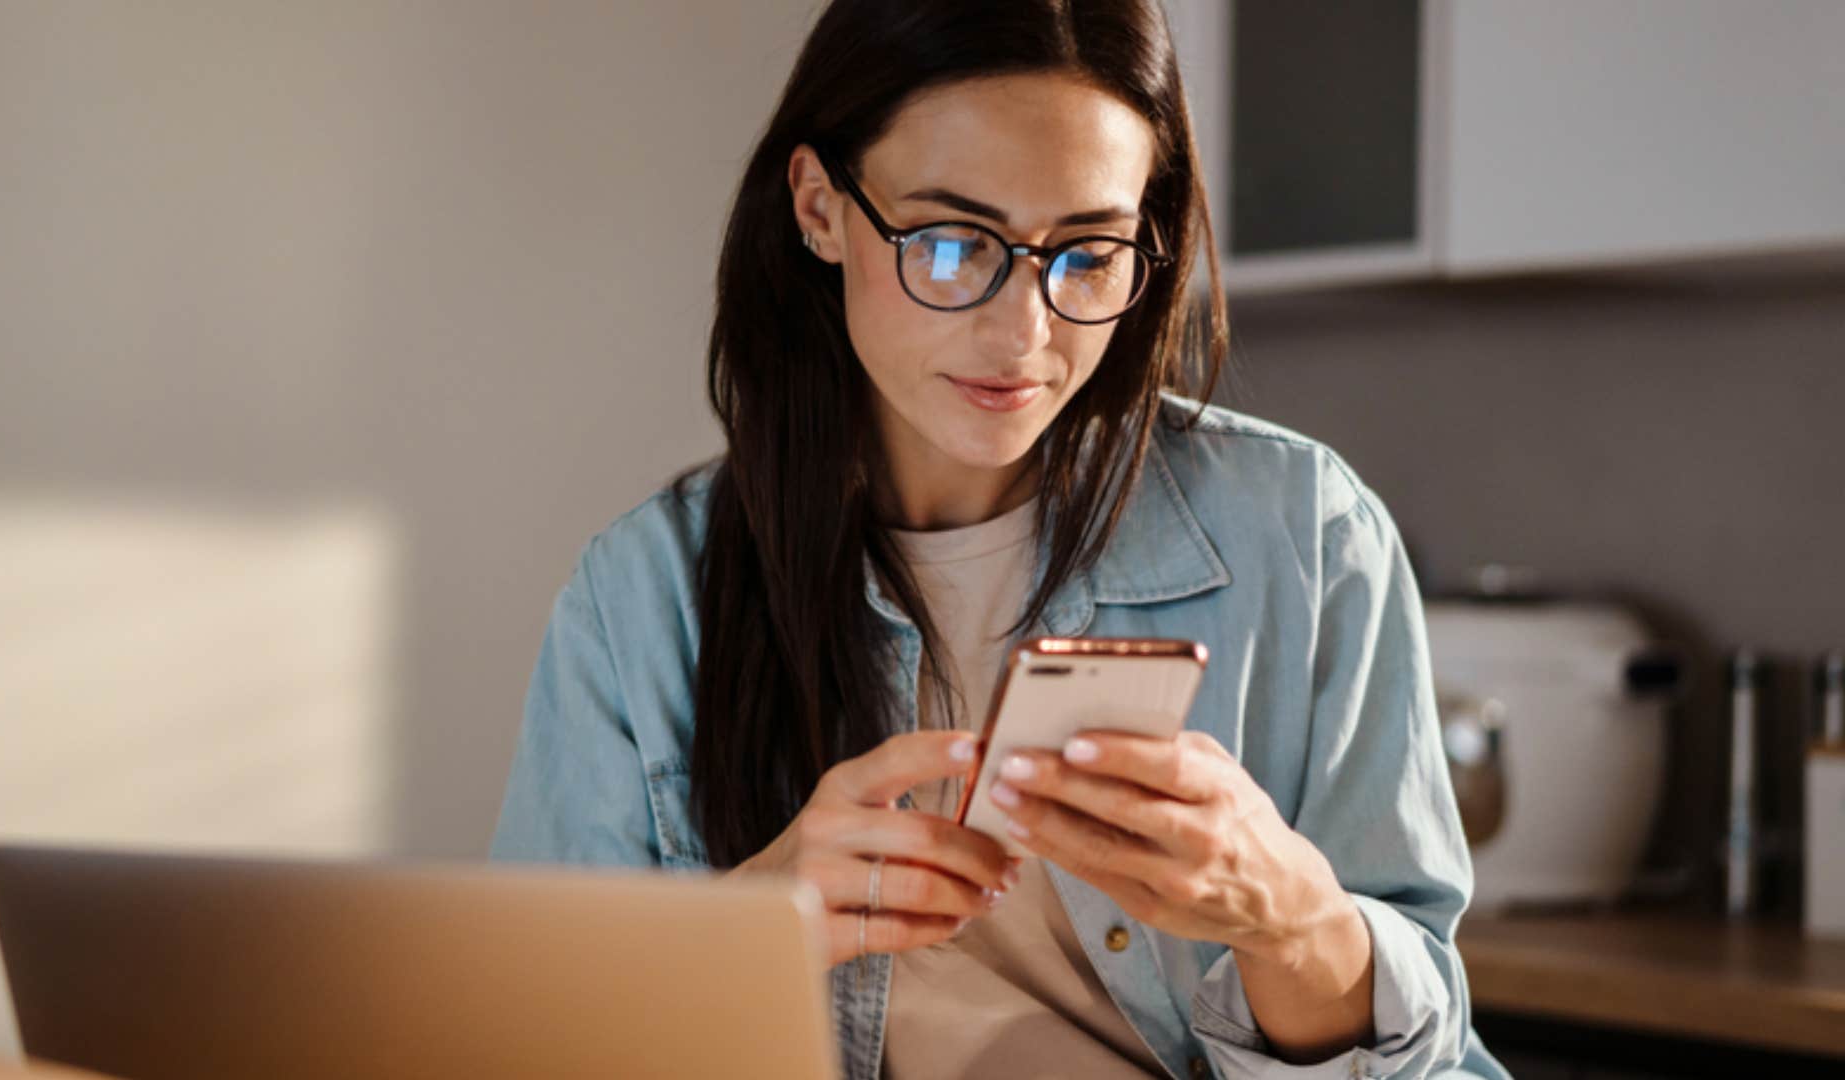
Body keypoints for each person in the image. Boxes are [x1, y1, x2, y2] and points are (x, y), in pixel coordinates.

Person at [491, 2, 1511, 1078]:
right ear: (819, 208)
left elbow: (1428, 1066)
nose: (1025, 330)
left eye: (1088, 254)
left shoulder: (1306, 536)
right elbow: (519, 1043)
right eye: (949, 243)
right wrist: (756, 920)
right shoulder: (646, 599)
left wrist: (1292, 922)